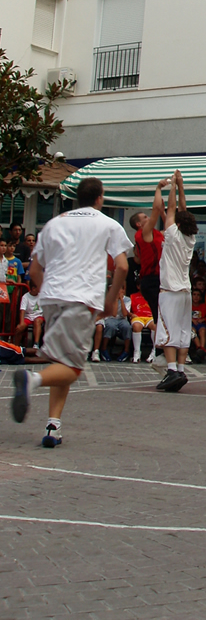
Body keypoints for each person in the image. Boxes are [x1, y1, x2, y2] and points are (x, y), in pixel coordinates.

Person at [11, 176, 131, 447]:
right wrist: (110, 300)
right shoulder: (108, 224)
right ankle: (30, 380)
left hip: (52, 297)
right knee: (74, 368)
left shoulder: (55, 223)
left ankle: (53, 425)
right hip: (81, 298)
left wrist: (49, 294)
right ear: (100, 198)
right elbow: (122, 267)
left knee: (62, 362)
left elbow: (34, 271)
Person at [154, 171, 198, 393]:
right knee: (182, 330)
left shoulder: (171, 236)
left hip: (169, 290)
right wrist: (181, 186)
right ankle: (180, 368)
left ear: (177, 225)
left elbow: (172, 209)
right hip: (185, 291)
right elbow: (182, 210)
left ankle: (171, 370)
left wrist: (170, 186)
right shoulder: (190, 238)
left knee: (168, 330)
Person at [129, 196, 166, 324]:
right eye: (145, 217)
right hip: (151, 279)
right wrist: (158, 188)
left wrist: (163, 212)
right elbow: (154, 212)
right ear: (139, 224)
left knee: (163, 315)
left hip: (160, 277)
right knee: (159, 316)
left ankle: (161, 342)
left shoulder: (156, 233)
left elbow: (170, 229)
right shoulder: (142, 234)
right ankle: (159, 343)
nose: (148, 218)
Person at [99, 283, 132, 361]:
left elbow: (124, 314)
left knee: (127, 327)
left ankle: (126, 350)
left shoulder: (127, 299)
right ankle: (103, 349)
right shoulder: (109, 299)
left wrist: (121, 299)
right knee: (110, 326)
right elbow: (113, 314)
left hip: (122, 319)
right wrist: (116, 300)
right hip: (110, 318)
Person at [128, 289, 156, 363]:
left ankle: (154, 351)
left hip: (150, 316)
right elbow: (128, 310)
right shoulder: (133, 296)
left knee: (155, 325)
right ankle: (137, 352)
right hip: (138, 316)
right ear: (137, 286)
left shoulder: (152, 295)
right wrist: (131, 314)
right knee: (136, 326)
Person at [15, 281, 45, 346]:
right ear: (33, 288)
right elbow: (22, 311)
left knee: (37, 321)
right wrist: (21, 323)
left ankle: (36, 344)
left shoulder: (42, 295)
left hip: (39, 316)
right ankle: (16, 347)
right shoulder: (25, 297)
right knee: (19, 328)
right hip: (28, 317)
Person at [191, 286, 206, 359]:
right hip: (191, 324)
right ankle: (199, 348)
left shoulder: (204, 306)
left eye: (198, 295)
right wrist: (191, 319)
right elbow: (183, 315)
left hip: (201, 324)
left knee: (202, 330)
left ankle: (202, 348)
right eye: (194, 294)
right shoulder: (188, 306)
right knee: (192, 331)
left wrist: (203, 320)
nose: (196, 297)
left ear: (200, 298)